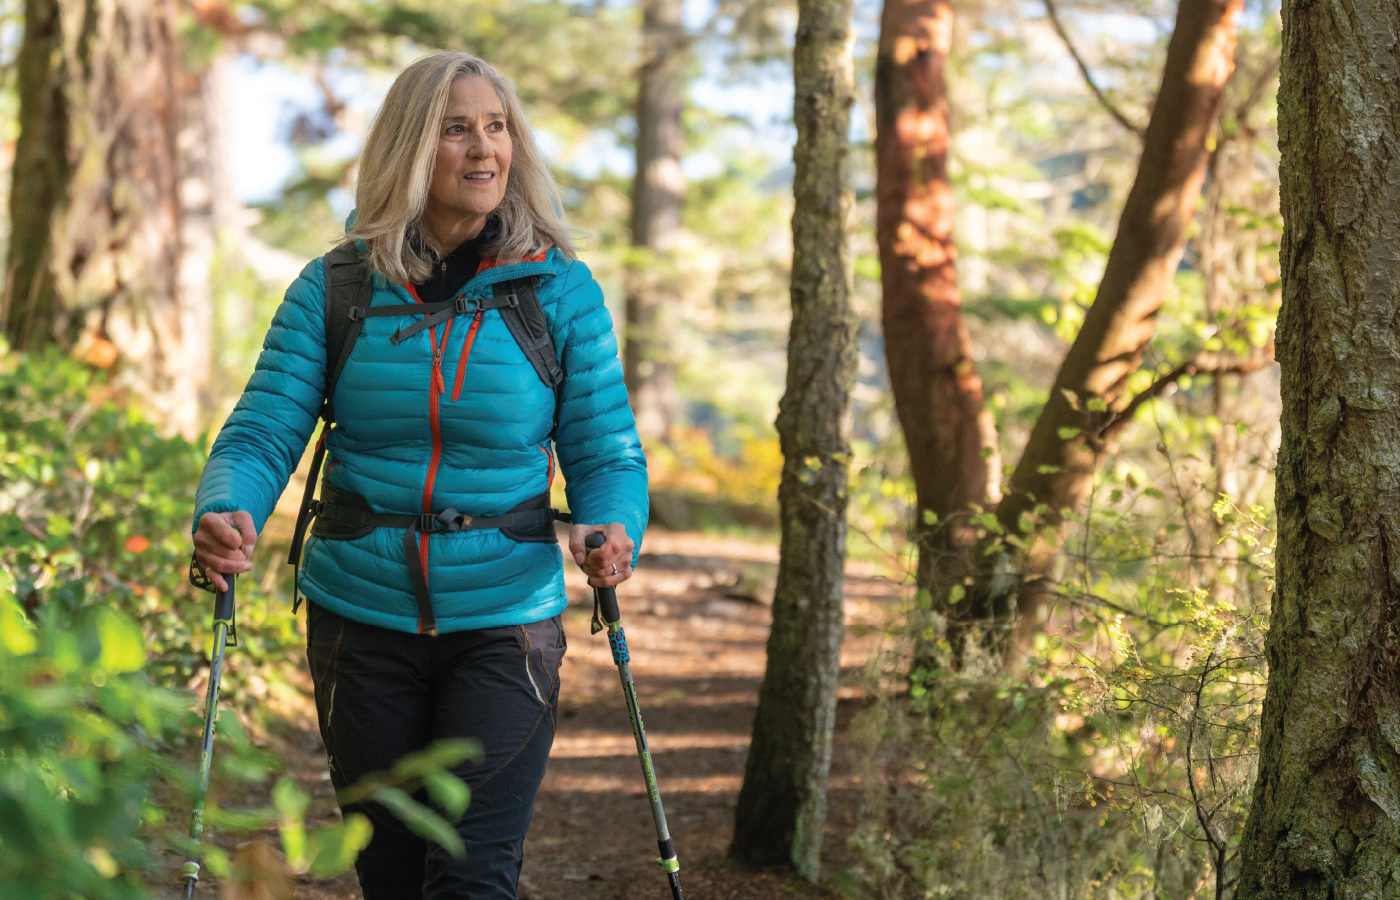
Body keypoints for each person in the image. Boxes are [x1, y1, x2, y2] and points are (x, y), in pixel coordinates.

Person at [190, 50, 647, 900]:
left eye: (497, 127)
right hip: (360, 618)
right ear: (410, 147)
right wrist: (226, 510)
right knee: (393, 875)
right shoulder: (336, 289)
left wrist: (611, 523)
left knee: (475, 877)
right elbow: (261, 430)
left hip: (505, 618)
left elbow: (605, 449)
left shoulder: (558, 293)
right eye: (456, 129)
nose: (485, 150)